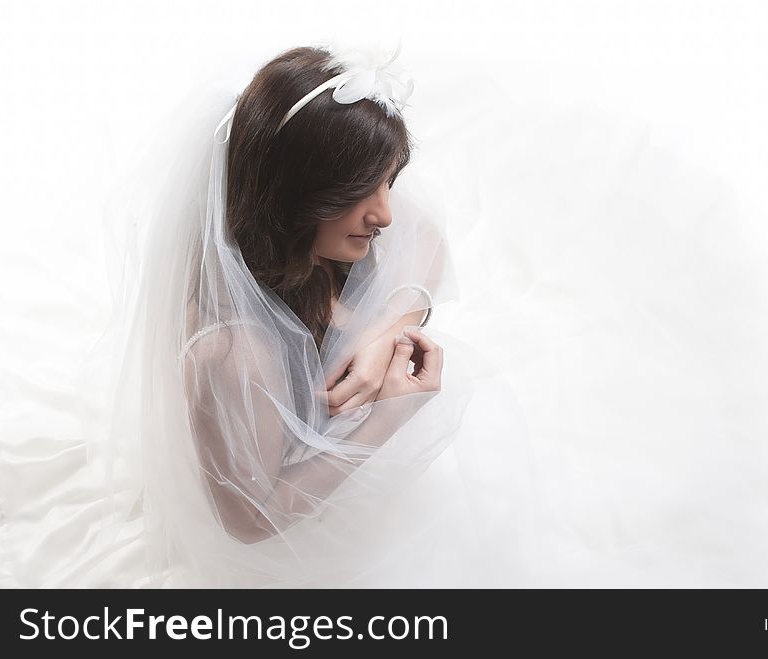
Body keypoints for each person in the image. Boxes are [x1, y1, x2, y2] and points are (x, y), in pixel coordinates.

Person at [68, 41, 548, 588]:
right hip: (299, 541)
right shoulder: (239, 349)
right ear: (296, 196)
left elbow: (428, 237)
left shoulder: (321, 239)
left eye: (388, 180)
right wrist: (386, 418)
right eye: (362, 192)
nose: (385, 213)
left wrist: (382, 330)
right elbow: (250, 520)